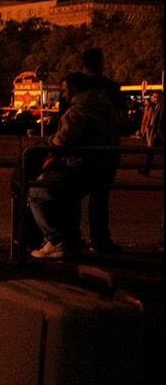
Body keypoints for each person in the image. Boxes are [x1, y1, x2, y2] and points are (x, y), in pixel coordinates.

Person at [29, 72, 122, 259]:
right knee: (70, 198)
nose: (63, 95)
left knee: (36, 192)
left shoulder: (78, 111)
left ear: (74, 89)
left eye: (64, 90)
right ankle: (76, 242)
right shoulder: (107, 107)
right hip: (106, 168)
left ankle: (54, 240)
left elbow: (62, 141)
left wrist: (47, 155)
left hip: (82, 168)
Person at [80, 47, 123, 253]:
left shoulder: (78, 87)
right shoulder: (112, 88)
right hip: (106, 149)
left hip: (80, 149)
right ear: (102, 62)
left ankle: (72, 237)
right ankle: (99, 239)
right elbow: (121, 119)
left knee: (71, 196)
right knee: (100, 196)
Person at [139, 90, 162, 176]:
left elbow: (159, 121)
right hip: (154, 132)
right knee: (151, 152)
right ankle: (146, 170)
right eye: (154, 96)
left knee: (151, 152)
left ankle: (146, 170)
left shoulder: (160, 106)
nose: (155, 98)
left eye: (157, 97)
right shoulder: (154, 106)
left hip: (157, 133)